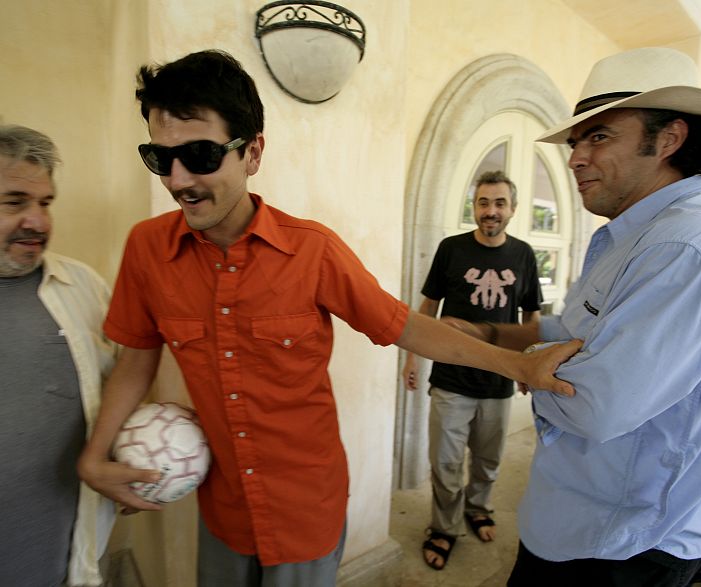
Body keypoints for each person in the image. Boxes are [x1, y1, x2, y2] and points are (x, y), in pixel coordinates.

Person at [76, 50, 580, 587]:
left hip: (305, 510)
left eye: (199, 155)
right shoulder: (147, 250)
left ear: (252, 152)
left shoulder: (312, 251)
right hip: (221, 507)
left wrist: (517, 366)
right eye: (160, 157)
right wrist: (95, 454)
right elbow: (137, 355)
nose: (177, 180)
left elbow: (405, 324)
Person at [449, 47, 701, 586]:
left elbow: (593, 402)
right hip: (592, 519)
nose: (575, 157)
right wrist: (491, 330)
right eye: (577, 141)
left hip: (625, 540)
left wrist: (518, 361)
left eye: (599, 136)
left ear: (668, 139)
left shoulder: (687, 247)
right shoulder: (639, 235)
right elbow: (573, 333)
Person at [402, 170, 541, 570]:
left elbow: (531, 314)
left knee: (487, 460)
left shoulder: (524, 255)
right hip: (450, 377)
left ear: (512, 209)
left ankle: (478, 507)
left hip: (497, 377)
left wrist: (527, 362)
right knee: (444, 463)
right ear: (474, 207)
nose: (491, 211)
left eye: (499, 203)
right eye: (483, 202)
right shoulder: (451, 249)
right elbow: (427, 308)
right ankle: (444, 528)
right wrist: (413, 357)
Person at [0, 125, 116, 586]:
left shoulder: (83, 286)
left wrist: (127, 453)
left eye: (45, 203)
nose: (38, 221)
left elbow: (125, 375)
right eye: (14, 202)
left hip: (66, 562)